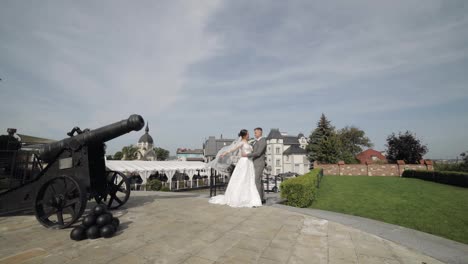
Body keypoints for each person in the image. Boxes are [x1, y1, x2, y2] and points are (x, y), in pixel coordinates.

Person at [208, 129, 262, 208]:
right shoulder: (242, 143)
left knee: (249, 179)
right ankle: (238, 198)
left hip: (249, 163)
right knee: (241, 179)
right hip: (243, 162)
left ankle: (250, 198)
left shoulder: (248, 143)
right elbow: (233, 149)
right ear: (244, 135)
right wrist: (224, 153)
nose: (249, 135)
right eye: (248, 134)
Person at [242, 127, 266, 203]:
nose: (254, 134)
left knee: (256, 180)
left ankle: (259, 200)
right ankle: (262, 198)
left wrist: (247, 155)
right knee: (259, 181)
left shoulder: (263, 141)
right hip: (254, 163)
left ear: (260, 132)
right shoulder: (256, 141)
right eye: (254, 133)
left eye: (256, 132)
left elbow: (258, 153)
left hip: (259, 163)